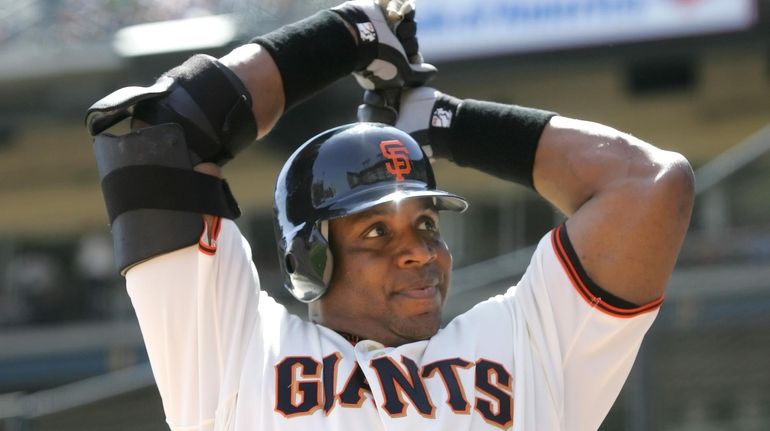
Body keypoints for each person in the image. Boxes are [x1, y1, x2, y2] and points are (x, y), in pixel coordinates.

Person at [85, 0, 694, 429]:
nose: (420, 250)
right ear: (309, 258)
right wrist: (345, 34)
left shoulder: (525, 347)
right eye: (376, 230)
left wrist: (449, 124)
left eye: (426, 224)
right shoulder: (234, 354)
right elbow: (151, 130)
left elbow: (649, 185)